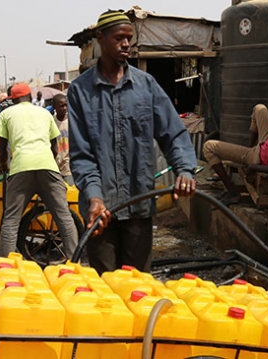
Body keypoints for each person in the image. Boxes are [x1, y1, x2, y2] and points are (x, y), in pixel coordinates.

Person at [67, 10, 197, 274]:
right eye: (119, 38)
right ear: (100, 39)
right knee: (105, 289)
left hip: (138, 203)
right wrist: (94, 197)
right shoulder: (80, 90)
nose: (126, 43)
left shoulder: (146, 86)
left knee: (138, 285)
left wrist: (184, 169)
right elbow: (82, 155)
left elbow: (172, 133)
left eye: (129, 38)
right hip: (100, 211)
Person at [0, 83, 78, 259]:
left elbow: (1, 147)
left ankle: (7, 266)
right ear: (30, 97)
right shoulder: (45, 113)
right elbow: (54, 145)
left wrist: (4, 165)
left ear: (13, 100)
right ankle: (74, 262)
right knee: (64, 217)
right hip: (47, 165)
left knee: (11, 220)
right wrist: (49, 162)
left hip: (21, 168)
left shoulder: (6, 114)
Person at [202, 80, 268, 205]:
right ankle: (249, 149)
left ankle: (232, 191)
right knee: (259, 108)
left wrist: (253, 166)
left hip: (258, 157)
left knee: (208, 147)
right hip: (265, 144)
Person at [52, 93, 73, 185]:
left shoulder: (71, 122)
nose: (64, 108)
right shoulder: (51, 121)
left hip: (68, 166)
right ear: (54, 107)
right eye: (61, 106)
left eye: (66, 105)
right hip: (54, 165)